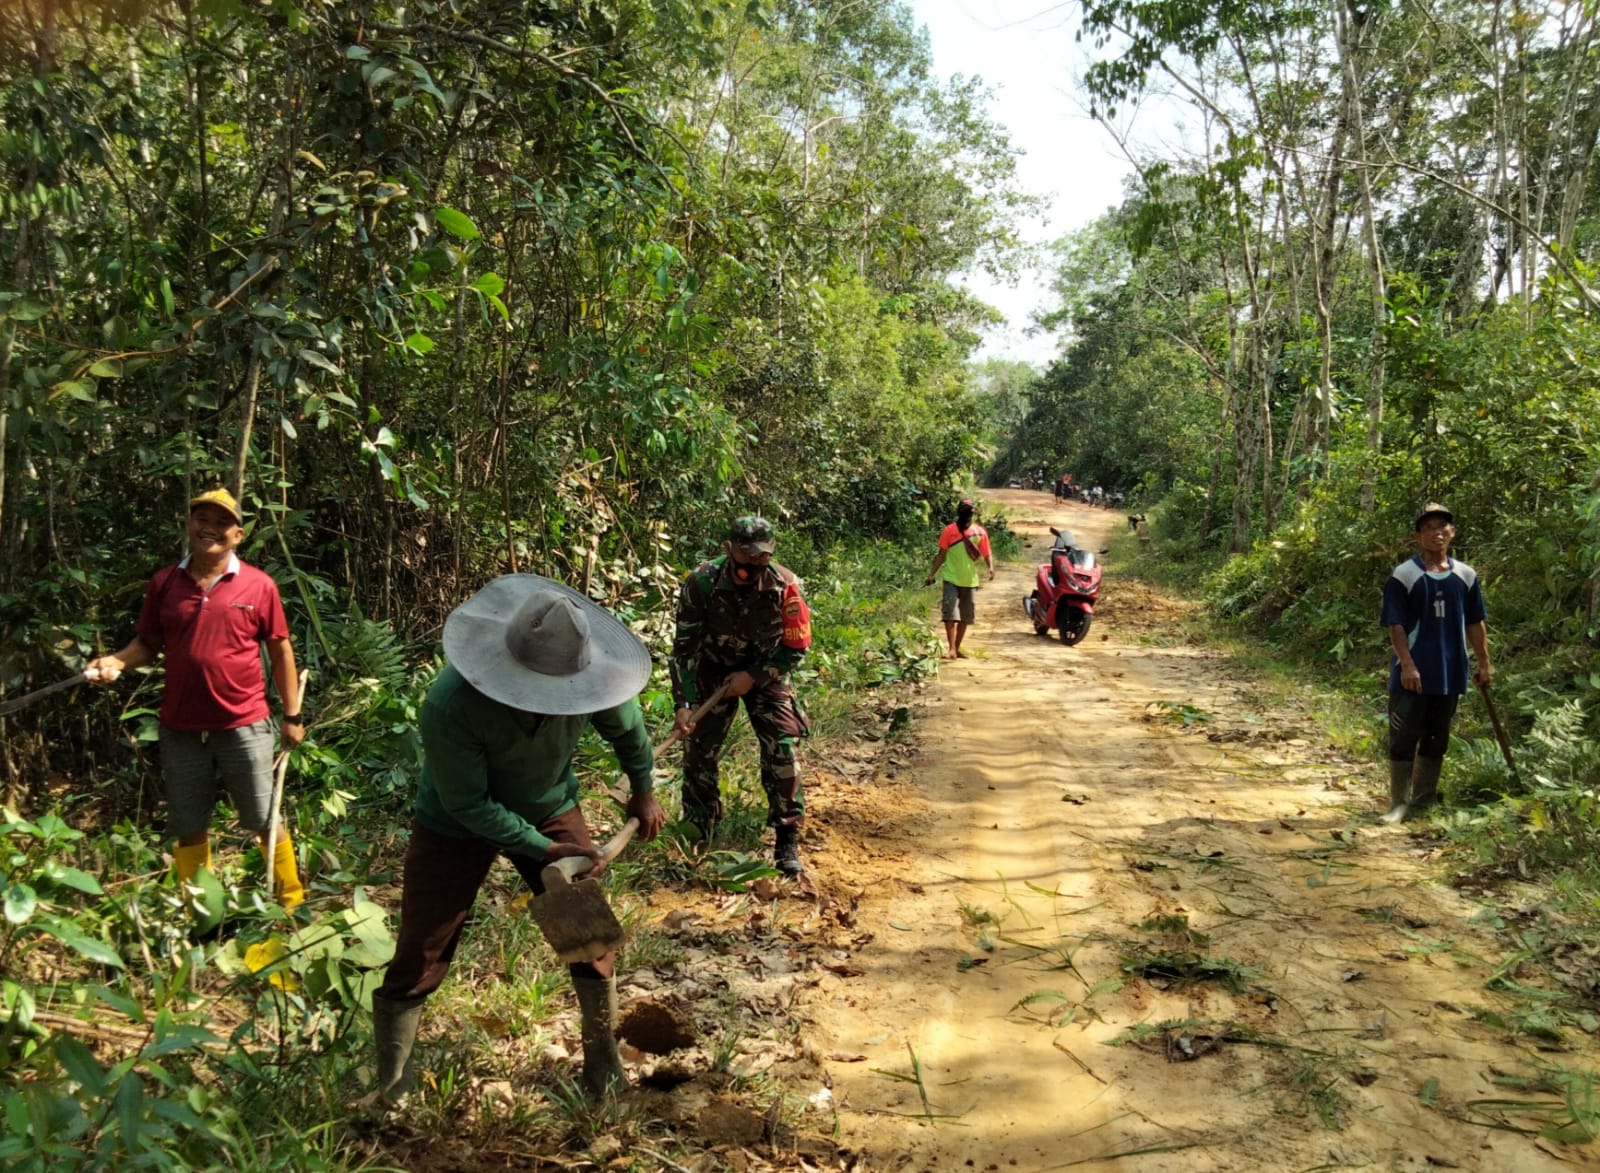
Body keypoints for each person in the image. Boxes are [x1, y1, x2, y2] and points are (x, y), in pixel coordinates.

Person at [368, 575, 666, 1103]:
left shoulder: (590, 677)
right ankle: (392, 1087)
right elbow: (468, 803)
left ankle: (603, 1068)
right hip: (454, 823)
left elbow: (627, 730)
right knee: (423, 946)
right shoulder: (452, 704)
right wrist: (543, 850)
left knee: (588, 938)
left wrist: (643, 789)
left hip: (550, 803)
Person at [85, 488, 307, 909]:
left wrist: (292, 714)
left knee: (263, 818)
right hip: (181, 727)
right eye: (201, 519)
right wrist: (115, 661)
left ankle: (291, 903)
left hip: (244, 722)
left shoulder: (259, 585)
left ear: (237, 535)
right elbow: (147, 644)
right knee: (189, 824)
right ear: (189, 526)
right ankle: (199, 912)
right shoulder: (166, 583)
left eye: (221, 522)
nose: (210, 528)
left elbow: (280, 650)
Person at [669, 516, 812, 876]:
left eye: (761, 558)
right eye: (746, 558)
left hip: (765, 672)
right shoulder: (701, 583)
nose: (753, 567)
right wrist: (684, 704)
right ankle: (701, 826)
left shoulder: (786, 585)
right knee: (699, 749)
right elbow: (684, 651)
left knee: (781, 745)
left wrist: (754, 676)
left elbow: (796, 647)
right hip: (712, 671)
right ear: (728, 550)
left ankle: (785, 835)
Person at [1379, 503, 1492, 822]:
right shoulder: (1404, 575)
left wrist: (1483, 662)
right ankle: (1398, 803)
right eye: (1428, 527)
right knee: (1404, 735)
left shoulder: (1466, 576)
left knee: (1437, 736)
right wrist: (1407, 664)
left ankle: (1425, 800)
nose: (1436, 532)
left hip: (1450, 670)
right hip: (1413, 672)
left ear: (1452, 533)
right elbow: (1396, 624)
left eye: (1443, 526)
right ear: (1418, 536)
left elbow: (1474, 622)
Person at [923, 498, 995, 659]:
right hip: (951, 578)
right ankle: (951, 648)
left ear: (973, 513)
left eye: (969, 510)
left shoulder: (979, 532)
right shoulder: (949, 531)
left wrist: (991, 567)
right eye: (964, 510)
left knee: (965, 617)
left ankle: (957, 647)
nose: (967, 513)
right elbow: (941, 555)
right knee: (950, 615)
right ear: (959, 512)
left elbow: (986, 552)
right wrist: (931, 574)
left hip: (970, 581)